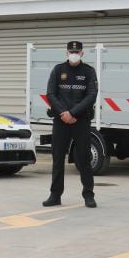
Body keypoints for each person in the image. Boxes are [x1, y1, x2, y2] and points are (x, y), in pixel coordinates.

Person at [42, 41, 98, 208]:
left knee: (83, 158)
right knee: (58, 158)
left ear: (82, 53)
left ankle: (88, 195)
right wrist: (64, 113)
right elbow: (51, 93)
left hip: (81, 121)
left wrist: (73, 113)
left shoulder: (89, 71)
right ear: (66, 53)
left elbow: (91, 95)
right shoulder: (58, 70)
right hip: (61, 120)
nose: (74, 54)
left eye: (77, 51)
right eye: (71, 51)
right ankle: (55, 195)